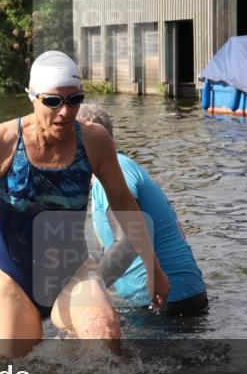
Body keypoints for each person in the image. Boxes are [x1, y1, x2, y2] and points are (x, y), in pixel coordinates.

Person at [0, 51, 169, 353]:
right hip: (12, 276)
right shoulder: (0, 141)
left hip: (72, 271)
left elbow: (125, 205)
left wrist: (153, 268)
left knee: (107, 338)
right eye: (53, 101)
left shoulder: (94, 141)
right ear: (32, 97)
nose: (65, 111)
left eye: (75, 100)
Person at [77, 104, 208, 316]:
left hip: (166, 305)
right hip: (178, 300)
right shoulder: (109, 175)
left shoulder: (116, 170)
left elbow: (128, 242)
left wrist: (87, 293)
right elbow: (115, 247)